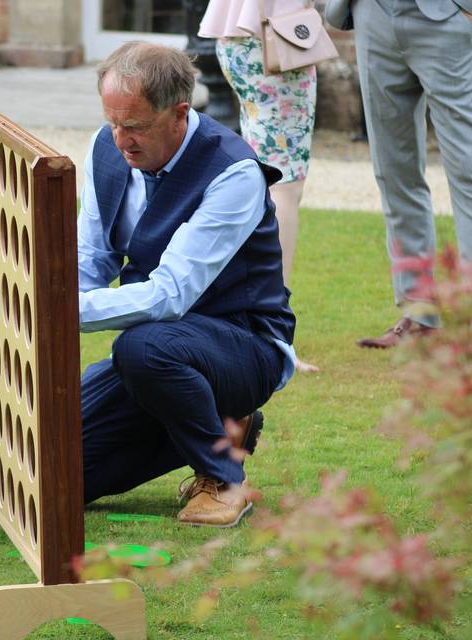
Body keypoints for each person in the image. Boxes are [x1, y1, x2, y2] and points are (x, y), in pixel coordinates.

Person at [79, 43, 296, 528]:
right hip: (163, 347)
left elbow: (170, 295)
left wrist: (59, 310)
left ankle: (224, 477)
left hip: (243, 344)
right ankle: (226, 422)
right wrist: (53, 297)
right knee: (58, 470)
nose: (120, 140)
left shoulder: (234, 173)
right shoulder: (105, 149)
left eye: (135, 126)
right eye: (113, 121)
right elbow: (92, 256)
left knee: (142, 349)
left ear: (179, 114)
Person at [322, 0, 472, 348]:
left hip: (447, 14)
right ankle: (420, 314)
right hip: (374, 13)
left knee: (471, 171)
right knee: (393, 172)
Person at [199, 0, 319, 371]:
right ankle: (271, 327)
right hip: (277, 36)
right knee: (283, 187)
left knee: (263, 180)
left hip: (238, 34)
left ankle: (249, 312)